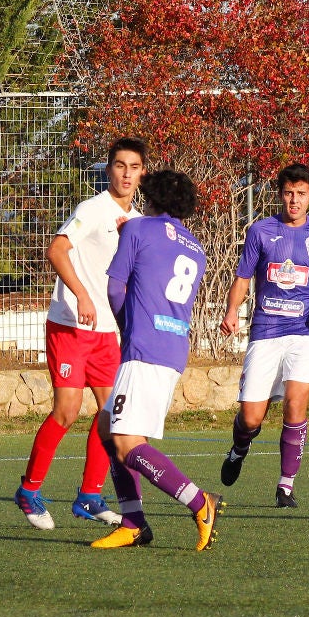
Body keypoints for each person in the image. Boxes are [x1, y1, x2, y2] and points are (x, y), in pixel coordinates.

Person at [13, 137, 145, 530]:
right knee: (67, 411)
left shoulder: (137, 221)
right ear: (109, 169)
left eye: (134, 167)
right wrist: (82, 294)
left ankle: (89, 496)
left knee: (111, 416)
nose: (126, 174)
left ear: (142, 172)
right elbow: (56, 250)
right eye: (119, 165)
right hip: (71, 324)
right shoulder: (92, 209)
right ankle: (28, 491)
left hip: (106, 332)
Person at [91, 170, 222, 551]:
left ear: (150, 198)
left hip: (144, 349)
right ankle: (133, 523)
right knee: (107, 427)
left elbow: (116, 288)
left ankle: (200, 502)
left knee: (126, 443)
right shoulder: (196, 247)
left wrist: (127, 328)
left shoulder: (137, 228)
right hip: (172, 347)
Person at [216, 162, 309, 508]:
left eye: (301, 193)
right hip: (266, 331)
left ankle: (285, 486)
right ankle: (239, 447)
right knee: (251, 417)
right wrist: (232, 310)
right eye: (288, 193)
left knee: (295, 403)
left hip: (306, 333)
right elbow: (243, 278)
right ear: (279, 194)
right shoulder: (261, 231)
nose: (294, 200)